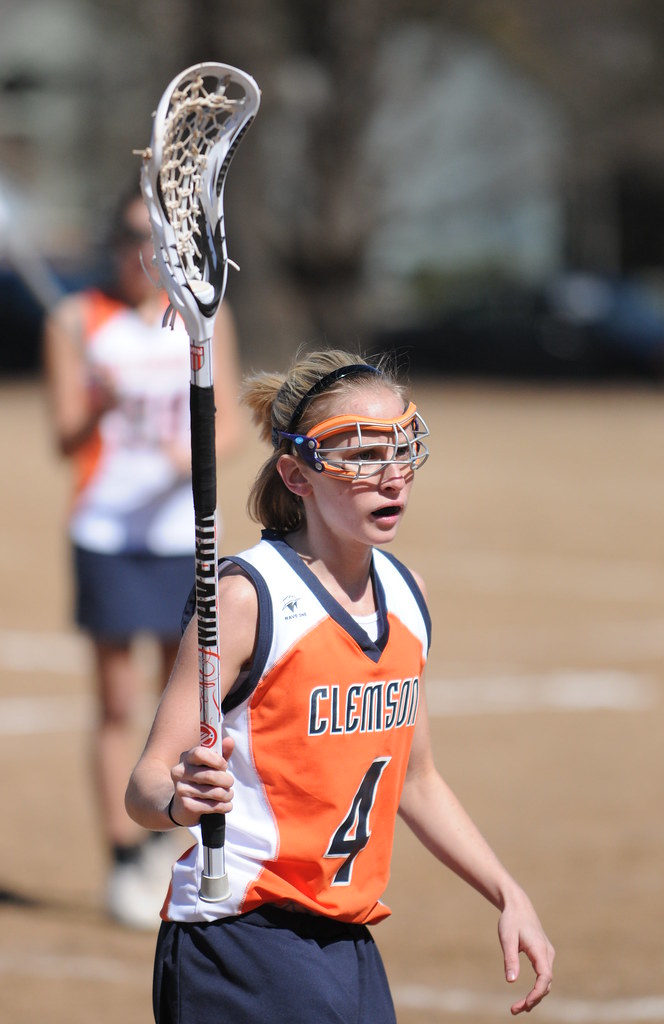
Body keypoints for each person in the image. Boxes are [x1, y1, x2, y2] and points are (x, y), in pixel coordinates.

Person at [125, 350, 554, 1022]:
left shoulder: (407, 597)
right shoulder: (248, 599)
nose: (391, 475)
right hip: (240, 936)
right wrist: (181, 800)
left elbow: (416, 780)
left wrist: (506, 891)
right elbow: (145, 787)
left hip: (348, 940)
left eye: (400, 449)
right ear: (297, 475)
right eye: (361, 455)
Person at [43, 184, 242, 930]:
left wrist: (185, 459)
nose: (142, 251)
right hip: (106, 532)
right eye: (130, 235)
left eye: (153, 237)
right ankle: (123, 855)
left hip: (181, 537)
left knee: (183, 705)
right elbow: (64, 437)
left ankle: (169, 842)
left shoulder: (201, 316)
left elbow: (226, 424)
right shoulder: (74, 321)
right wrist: (97, 403)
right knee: (118, 703)